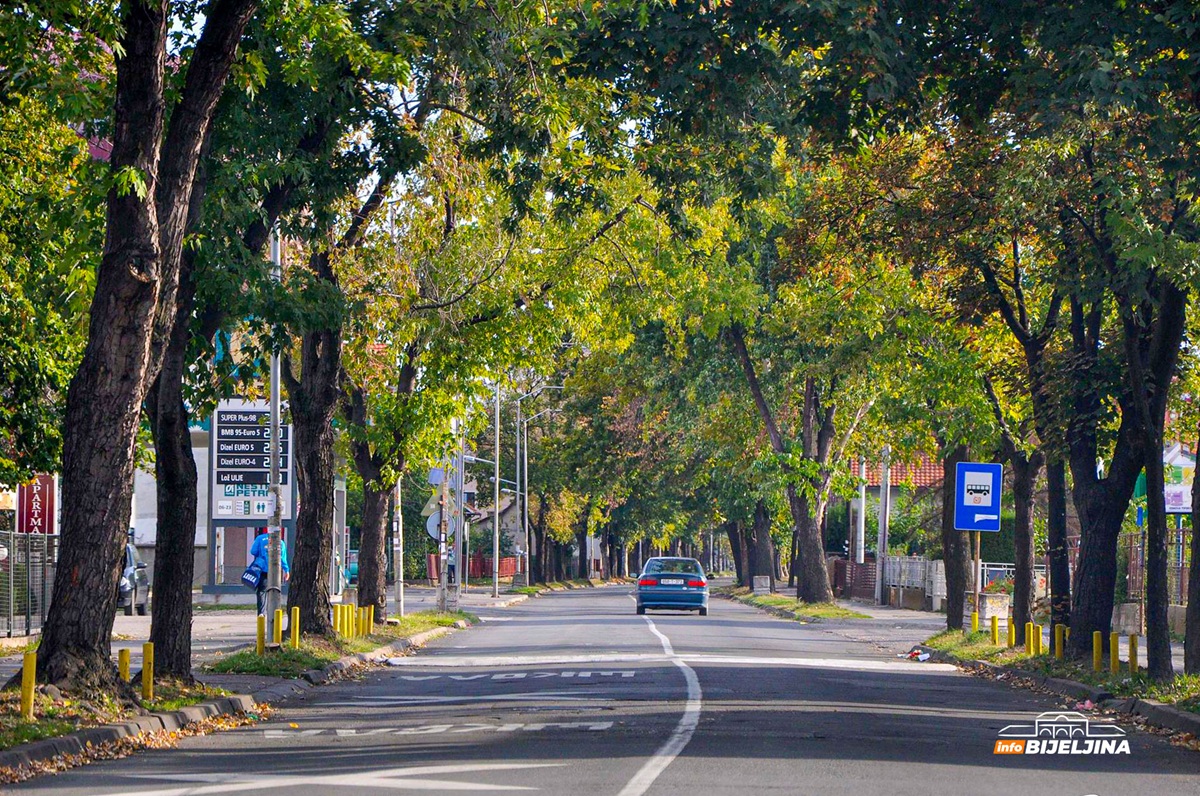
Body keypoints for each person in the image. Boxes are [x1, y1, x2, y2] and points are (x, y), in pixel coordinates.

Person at [250, 527, 290, 615]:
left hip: (263, 569)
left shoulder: (260, 538)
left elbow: (253, 551)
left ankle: (261, 613)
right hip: (276, 571)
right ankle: (275, 611)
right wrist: (286, 570)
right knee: (275, 590)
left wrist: (262, 554)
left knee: (262, 591)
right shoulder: (281, 542)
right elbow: (283, 558)